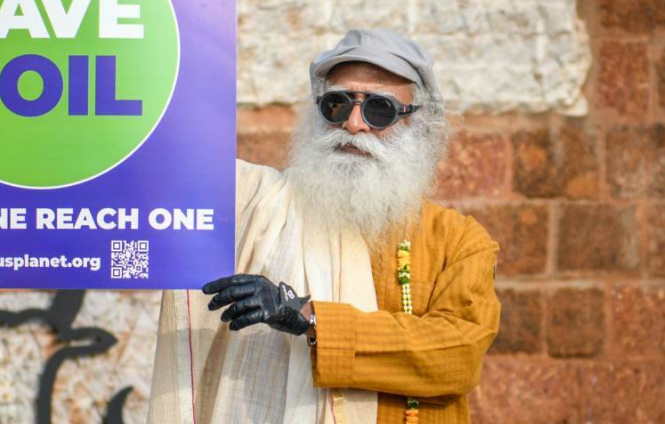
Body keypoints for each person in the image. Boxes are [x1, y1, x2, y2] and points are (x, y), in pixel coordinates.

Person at [147, 29, 501, 424]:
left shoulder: (459, 241)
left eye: (379, 110)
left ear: (419, 125)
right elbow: (171, 174)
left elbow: (458, 355)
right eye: (336, 104)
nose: (352, 124)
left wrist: (307, 315)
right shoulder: (259, 204)